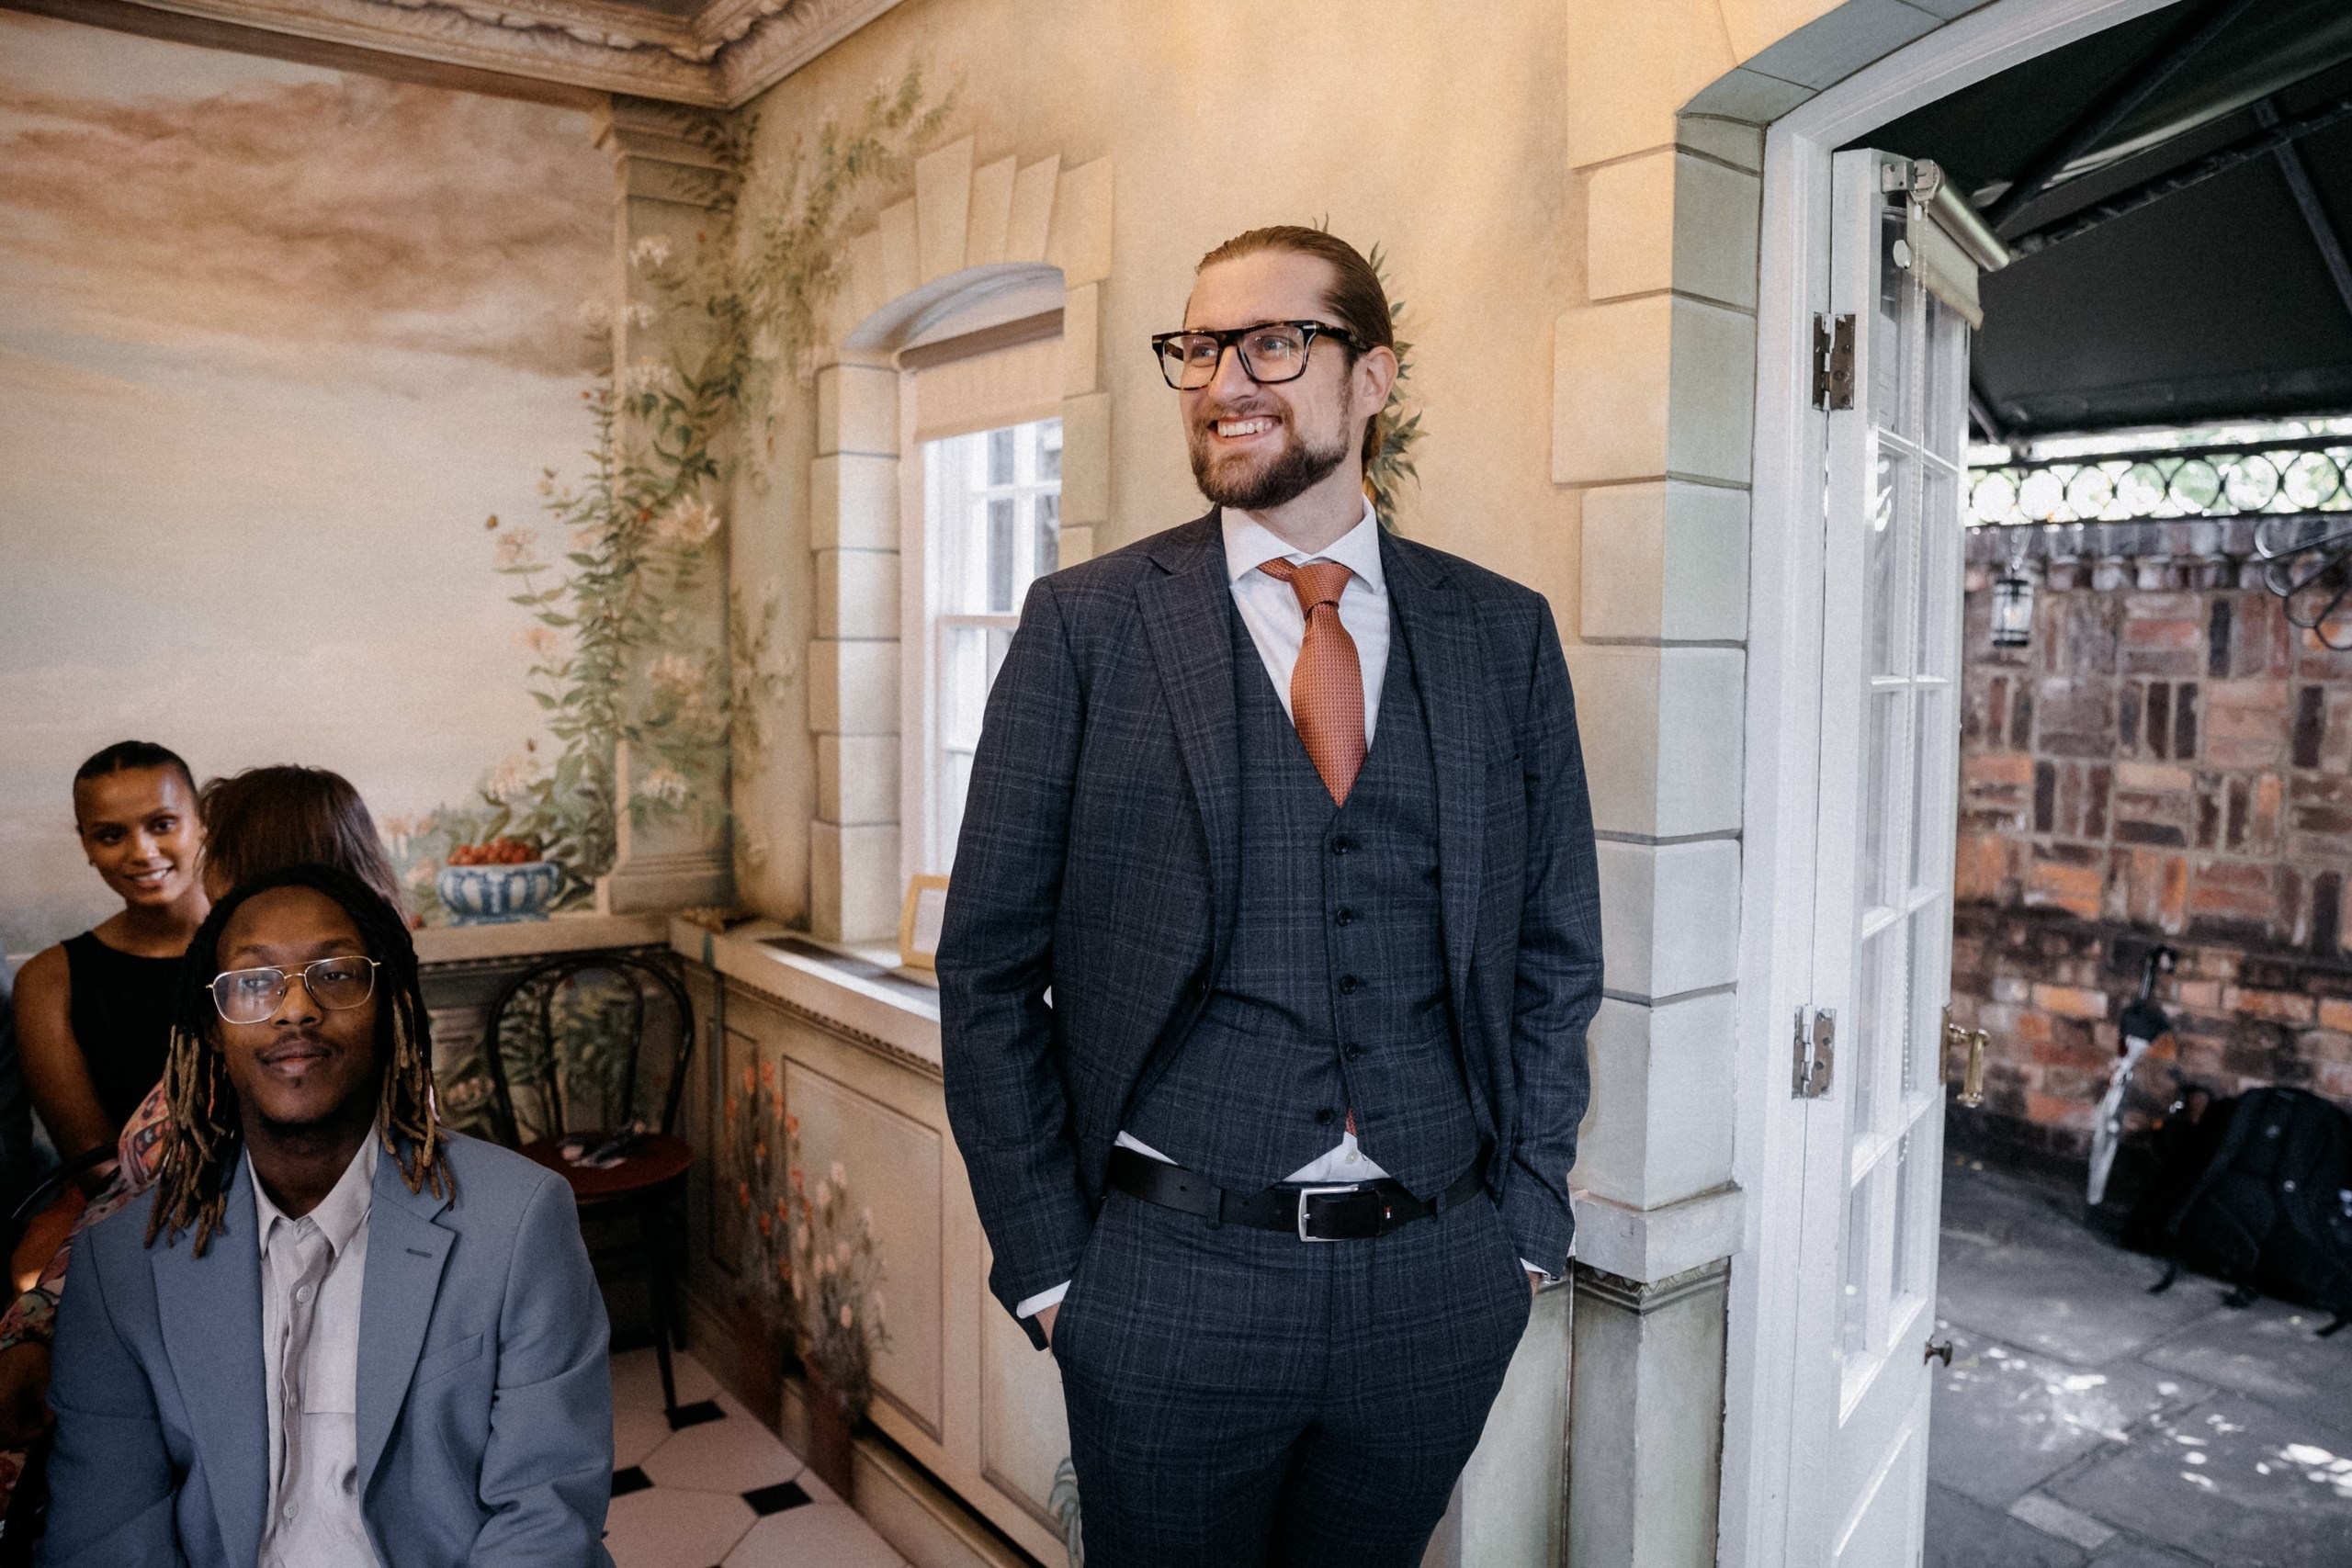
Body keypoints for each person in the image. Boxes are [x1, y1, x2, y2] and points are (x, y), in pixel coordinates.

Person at [937, 225, 1602, 1565]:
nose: (1222, 379)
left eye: (1272, 342)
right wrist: (1060, 1270)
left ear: (1375, 376)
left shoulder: (1502, 631)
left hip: (1439, 1275)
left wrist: (1524, 1224)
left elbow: (1553, 948)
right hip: (1170, 1276)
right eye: (1197, 347)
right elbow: (990, 968)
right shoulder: (1086, 624)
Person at [42, 863, 614, 1568]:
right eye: (254, 981)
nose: (294, 1008)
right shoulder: (121, 1265)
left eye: (335, 974)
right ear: (212, 1029)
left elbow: (545, 1512)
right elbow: (106, 1533)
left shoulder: (519, 1220)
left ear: (391, 1006)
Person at [0, 767, 407, 1465]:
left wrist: (32, 1323)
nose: (193, 865)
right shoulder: (345, 1030)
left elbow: (151, 1212)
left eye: (205, 842)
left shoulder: (260, 1068)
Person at [11, 742, 208, 1193]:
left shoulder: (264, 950)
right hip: (136, 1218)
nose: (142, 852)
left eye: (162, 825)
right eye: (111, 835)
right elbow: (92, 1159)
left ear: (201, 823)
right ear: (86, 844)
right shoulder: (49, 980)